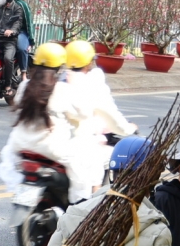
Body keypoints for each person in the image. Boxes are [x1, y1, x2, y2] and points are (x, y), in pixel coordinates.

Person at [53, 39, 138, 200]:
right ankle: (93, 207)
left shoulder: (58, 80)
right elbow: (112, 117)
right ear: (88, 63)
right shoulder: (91, 84)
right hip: (79, 147)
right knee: (97, 168)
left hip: (52, 144)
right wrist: (128, 129)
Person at [0, 43, 75, 200]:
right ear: (60, 67)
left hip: (20, 148)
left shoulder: (24, 86)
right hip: (52, 152)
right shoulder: (63, 89)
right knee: (84, 176)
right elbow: (79, 116)